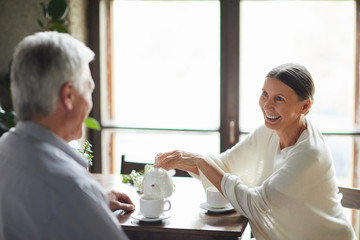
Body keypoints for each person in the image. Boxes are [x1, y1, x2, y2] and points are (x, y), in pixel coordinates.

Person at [155, 63, 356, 240]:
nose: (267, 105)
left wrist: (201, 162)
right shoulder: (270, 132)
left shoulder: (309, 154)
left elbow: (257, 205)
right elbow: (225, 166)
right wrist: (184, 160)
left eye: (279, 99)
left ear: (305, 106)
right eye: (265, 94)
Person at [0, 32, 134, 239]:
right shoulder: (72, 191)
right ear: (68, 96)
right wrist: (84, 203)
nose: (90, 103)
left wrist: (93, 203)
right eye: (89, 90)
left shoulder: (5, 149)